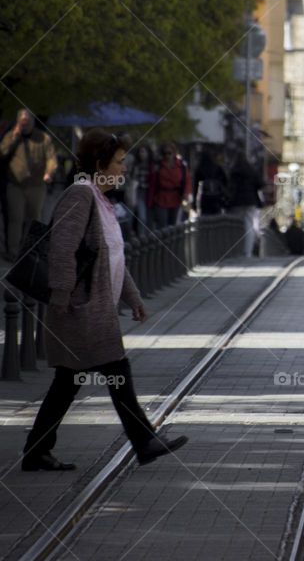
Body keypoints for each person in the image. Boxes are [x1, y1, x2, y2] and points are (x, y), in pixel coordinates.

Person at [21, 130, 188, 471]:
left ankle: (36, 452)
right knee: (116, 371)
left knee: (68, 382)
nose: (124, 169)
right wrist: (63, 297)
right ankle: (144, 441)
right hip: (79, 310)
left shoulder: (101, 200)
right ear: (100, 165)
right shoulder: (80, 196)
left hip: (91, 308)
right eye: (119, 162)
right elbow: (63, 250)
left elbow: (111, 258)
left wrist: (133, 298)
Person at [0, 110, 56, 258]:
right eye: (22, 122)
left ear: (33, 122)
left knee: (34, 219)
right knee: (15, 218)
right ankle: (13, 252)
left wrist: (49, 172)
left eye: (28, 122)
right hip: (15, 185)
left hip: (36, 185)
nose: (25, 125)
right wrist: (14, 137)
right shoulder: (11, 135)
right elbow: (2, 153)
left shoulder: (43, 138)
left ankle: (29, 252)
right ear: (18, 122)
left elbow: (51, 159)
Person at [226, 153, 265, 258]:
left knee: (236, 226)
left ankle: (235, 250)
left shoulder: (234, 172)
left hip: (236, 202)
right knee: (249, 226)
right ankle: (247, 252)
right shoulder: (251, 171)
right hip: (250, 202)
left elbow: (229, 187)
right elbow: (261, 184)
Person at [149, 142, 190, 228]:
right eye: (165, 153)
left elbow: (187, 180)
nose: (167, 155)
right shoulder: (159, 165)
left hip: (176, 198)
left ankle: (172, 241)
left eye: (169, 153)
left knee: (173, 225)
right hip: (161, 198)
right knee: (162, 225)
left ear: (174, 153)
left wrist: (186, 193)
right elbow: (153, 182)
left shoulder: (181, 165)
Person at [193, 148, 228, 216]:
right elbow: (225, 181)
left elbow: (195, 187)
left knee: (205, 218)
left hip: (205, 198)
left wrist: (194, 202)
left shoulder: (200, 168)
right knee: (216, 218)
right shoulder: (217, 168)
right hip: (216, 198)